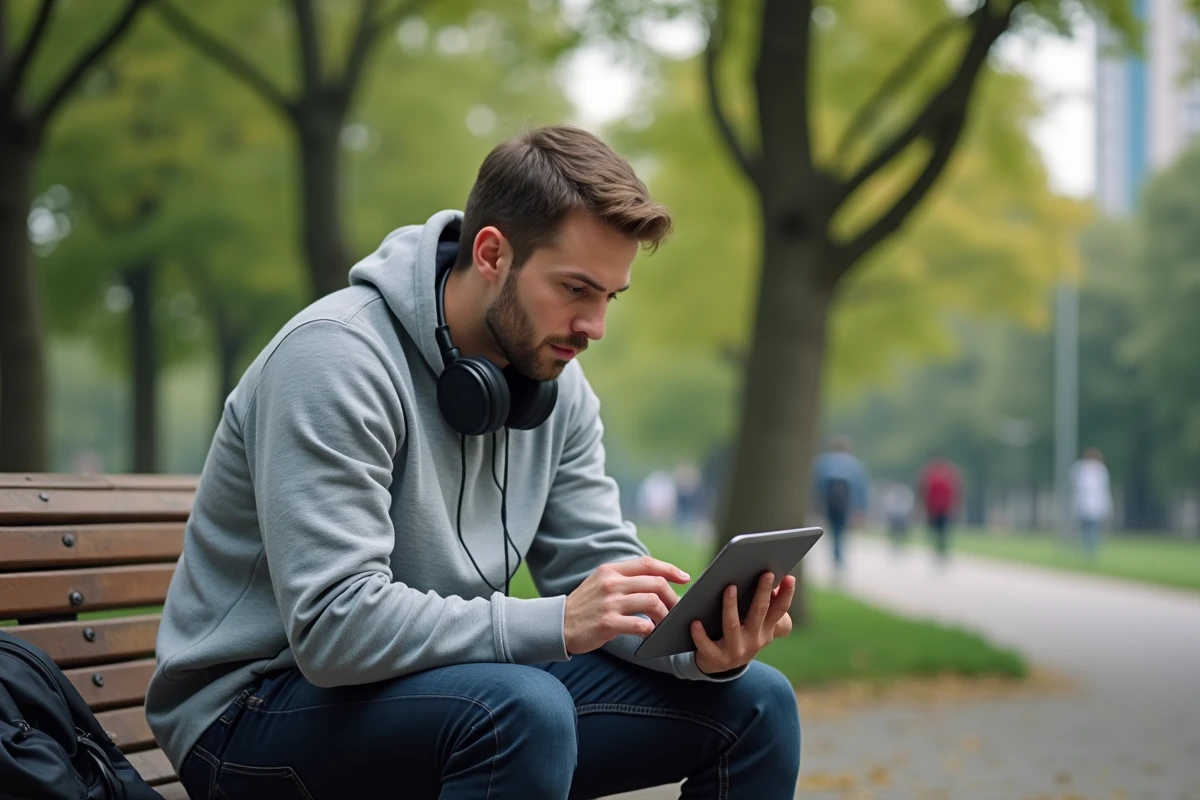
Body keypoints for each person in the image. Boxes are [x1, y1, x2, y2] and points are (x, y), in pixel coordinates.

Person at [145, 126, 801, 800]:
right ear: (492, 253)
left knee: (756, 703)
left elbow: (594, 563)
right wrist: (554, 621)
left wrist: (696, 644)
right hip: (249, 716)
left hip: (441, 693)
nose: (594, 326)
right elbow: (331, 628)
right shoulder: (334, 359)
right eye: (575, 288)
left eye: (609, 296)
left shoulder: (554, 384)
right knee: (519, 710)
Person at [811, 435, 870, 574]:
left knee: (833, 531)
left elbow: (817, 485)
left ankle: (836, 556)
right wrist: (860, 508)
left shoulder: (823, 462)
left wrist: (816, 505)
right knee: (841, 531)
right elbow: (860, 488)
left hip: (829, 504)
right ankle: (839, 557)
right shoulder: (854, 464)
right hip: (846, 504)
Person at [1070, 447, 1112, 559]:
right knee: (1088, 529)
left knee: (1090, 529)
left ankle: (1089, 551)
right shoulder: (1083, 468)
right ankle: (1088, 551)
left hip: (1092, 506)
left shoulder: (1096, 469)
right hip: (1085, 505)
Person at [919, 456, 961, 563]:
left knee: (937, 531)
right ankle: (942, 550)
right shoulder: (948, 476)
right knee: (943, 531)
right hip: (944, 508)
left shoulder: (931, 476)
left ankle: (939, 550)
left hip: (935, 508)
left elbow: (925, 493)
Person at [883, 481, 915, 551]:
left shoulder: (905, 492)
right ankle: (895, 544)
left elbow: (908, 502)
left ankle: (902, 544)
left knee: (902, 531)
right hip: (895, 515)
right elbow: (889, 503)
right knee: (894, 531)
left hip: (902, 515)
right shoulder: (893, 493)